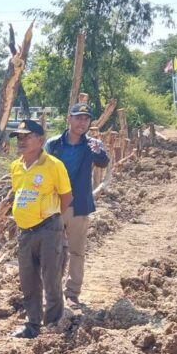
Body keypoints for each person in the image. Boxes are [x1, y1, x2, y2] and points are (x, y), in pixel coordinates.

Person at [9, 118, 73, 339]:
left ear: (40, 139)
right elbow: (18, 194)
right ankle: (32, 324)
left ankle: (54, 324)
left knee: (51, 277)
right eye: (19, 137)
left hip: (48, 229)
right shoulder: (16, 166)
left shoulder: (54, 165)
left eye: (27, 136)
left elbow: (66, 197)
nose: (22, 141)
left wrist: (52, 220)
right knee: (28, 281)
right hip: (25, 232)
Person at [46, 103, 110, 308]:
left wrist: (99, 152)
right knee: (51, 251)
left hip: (78, 205)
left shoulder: (92, 144)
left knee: (76, 251)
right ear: (69, 119)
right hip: (54, 205)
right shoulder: (53, 144)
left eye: (86, 119)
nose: (82, 122)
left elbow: (103, 162)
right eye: (78, 118)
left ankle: (72, 293)